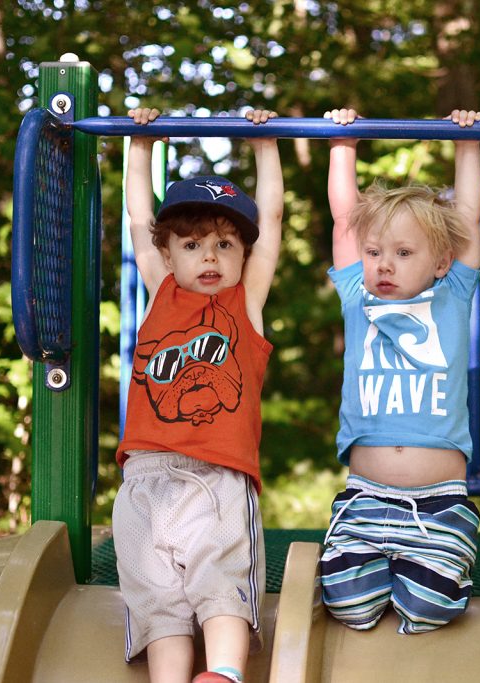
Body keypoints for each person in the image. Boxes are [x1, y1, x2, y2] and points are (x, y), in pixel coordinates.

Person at [113, 106, 282, 683]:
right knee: (155, 596)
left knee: (219, 579)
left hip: (217, 478)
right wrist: (140, 142)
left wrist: (266, 141)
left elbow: (275, 218)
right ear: (168, 255)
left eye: (225, 244)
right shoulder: (161, 293)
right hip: (143, 480)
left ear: (243, 255)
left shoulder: (244, 306)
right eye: (191, 245)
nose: (209, 257)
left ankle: (226, 673)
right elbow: (140, 218)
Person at [320, 107, 480, 634]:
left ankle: (435, 567)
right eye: (375, 253)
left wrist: (468, 141)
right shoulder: (356, 295)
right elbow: (344, 220)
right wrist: (341, 144)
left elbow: (470, 218)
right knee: (348, 606)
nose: (384, 264)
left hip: (439, 504)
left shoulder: (453, 296)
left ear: (440, 261)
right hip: (365, 496)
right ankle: (379, 570)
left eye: (402, 252)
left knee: (430, 609)